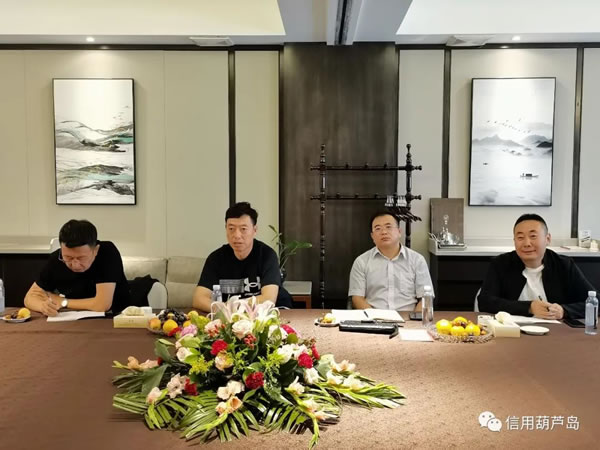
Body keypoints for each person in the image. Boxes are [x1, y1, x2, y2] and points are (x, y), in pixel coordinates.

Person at [478, 214, 595, 319]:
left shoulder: (563, 265)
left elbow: (594, 301)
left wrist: (564, 311)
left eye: (533, 236)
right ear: (514, 241)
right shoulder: (501, 264)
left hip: (556, 330)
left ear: (547, 239)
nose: (527, 243)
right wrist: (529, 307)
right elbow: (485, 302)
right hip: (511, 329)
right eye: (520, 238)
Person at [193, 202, 292, 312]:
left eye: (243, 229)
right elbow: (199, 299)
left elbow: (268, 299)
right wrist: (225, 309)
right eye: (231, 229)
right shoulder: (216, 258)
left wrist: (233, 307)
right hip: (232, 315)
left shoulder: (267, 255)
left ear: (254, 230)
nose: (237, 235)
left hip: (272, 312)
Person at [24, 219, 131, 316]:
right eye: (68, 257)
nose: (75, 265)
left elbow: (102, 305)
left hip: (116, 316)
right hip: (73, 317)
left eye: (81, 258)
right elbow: (30, 297)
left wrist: (63, 302)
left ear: (95, 250)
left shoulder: (107, 252)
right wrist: (43, 306)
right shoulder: (56, 259)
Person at [348, 211, 433, 310]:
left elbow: (426, 298)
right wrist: (374, 317)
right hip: (374, 316)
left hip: (407, 316)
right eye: (378, 228)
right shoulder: (361, 261)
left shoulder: (417, 260)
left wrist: (415, 318)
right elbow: (357, 298)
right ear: (372, 236)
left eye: (388, 227)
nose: (384, 232)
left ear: (399, 232)